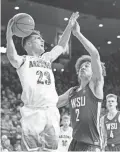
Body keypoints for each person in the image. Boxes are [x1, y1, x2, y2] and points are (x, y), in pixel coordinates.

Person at [6, 12, 79, 151]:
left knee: (51, 149)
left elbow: (61, 45)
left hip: (51, 110)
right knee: (31, 150)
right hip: (33, 112)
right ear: (28, 43)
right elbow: (11, 56)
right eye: (38, 39)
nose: (42, 41)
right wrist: (9, 35)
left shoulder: (47, 58)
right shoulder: (23, 60)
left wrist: (69, 26)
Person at [57, 21, 106, 151]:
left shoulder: (95, 85)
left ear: (94, 71)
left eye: (87, 66)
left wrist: (77, 34)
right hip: (74, 142)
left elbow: (95, 54)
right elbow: (54, 103)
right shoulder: (72, 91)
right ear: (78, 73)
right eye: (81, 66)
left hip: (91, 144)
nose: (83, 67)